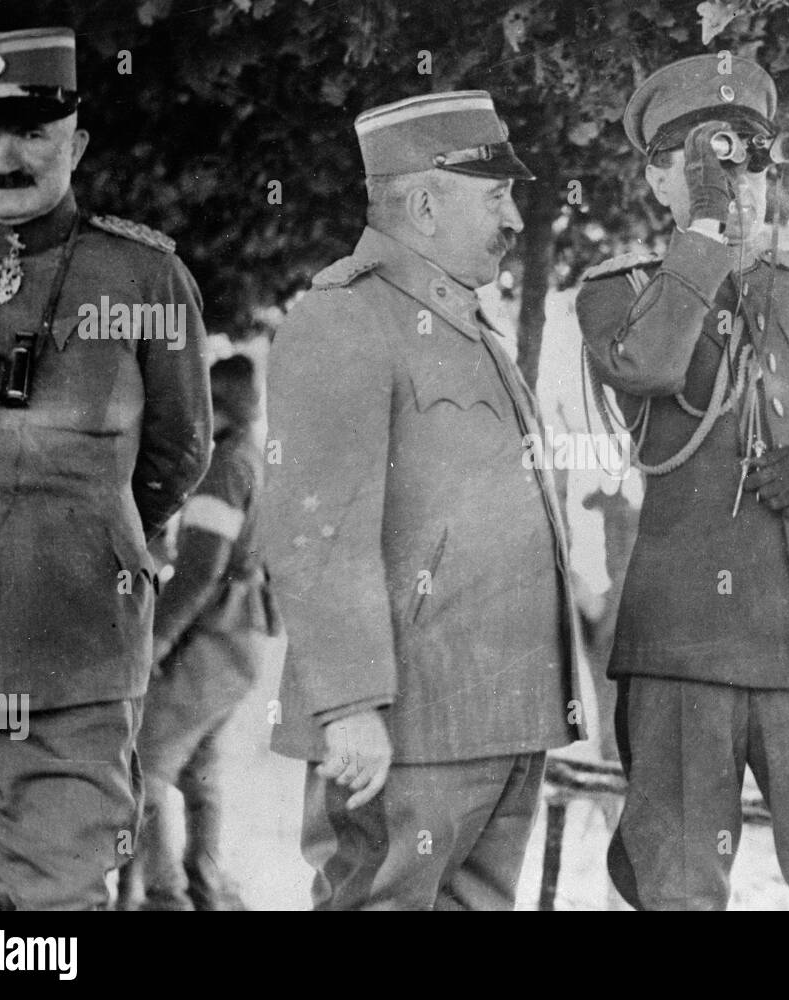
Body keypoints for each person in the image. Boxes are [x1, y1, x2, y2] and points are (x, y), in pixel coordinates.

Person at [576, 55, 789, 910]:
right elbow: (647, 365)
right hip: (685, 648)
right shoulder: (621, 295)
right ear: (658, 178)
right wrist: (706, 233)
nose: (742, 177)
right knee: (677, 887)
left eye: (756, 157)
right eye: (709, 157)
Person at [264, 91, 582, 910]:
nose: (514, 218)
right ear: (428, 201)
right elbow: (316, 537)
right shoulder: (347, 320)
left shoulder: (468, 326)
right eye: (496, 195)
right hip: (406, 726)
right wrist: (350, 707)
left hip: (502, 717)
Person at [0, 25, 211, 910]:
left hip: (74, 655)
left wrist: (98, 544)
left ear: (76, 143)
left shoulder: (142, 276)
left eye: (33, 132)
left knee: (56, 913)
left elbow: (179, 449)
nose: (7, 157)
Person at [121, 353, 279, 910]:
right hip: (243, 637)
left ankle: (168, 899)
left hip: (216, 636)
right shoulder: (252, 460)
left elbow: (200, 570)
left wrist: (156, 641)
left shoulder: (226, 466)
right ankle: (205, 894)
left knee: (143, 765)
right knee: (199, 774)